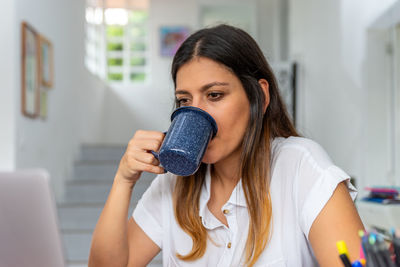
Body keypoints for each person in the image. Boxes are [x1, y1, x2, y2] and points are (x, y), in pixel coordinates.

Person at [89, 24, 364, 267]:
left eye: (215, 95)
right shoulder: (173, 184)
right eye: (185, 100)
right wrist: (123, 179)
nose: (197, 114)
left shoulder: (302, 168)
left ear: (260, 96)